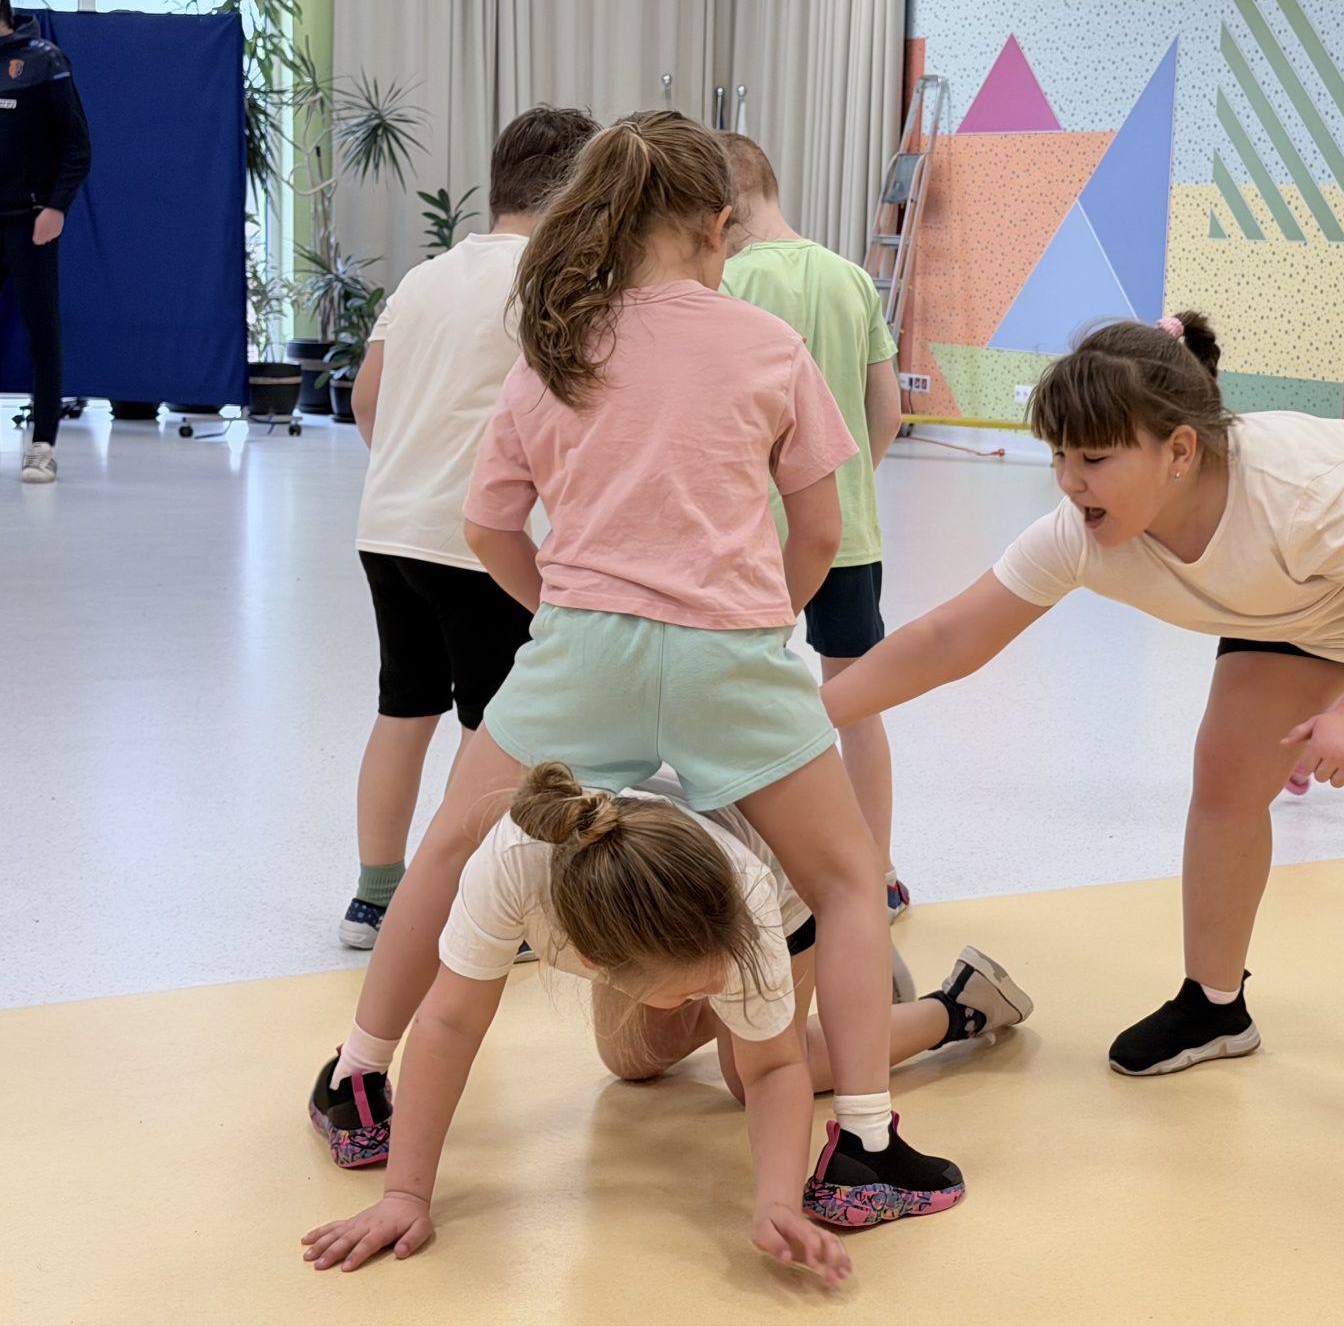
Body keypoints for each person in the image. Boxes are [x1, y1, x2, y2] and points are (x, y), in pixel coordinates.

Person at [305, 111, 963, 1222]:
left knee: (450, 849)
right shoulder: (770, 346)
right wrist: (757, 619)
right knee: (851, 883)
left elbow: (489, 526)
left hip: (582, 656)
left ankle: (359, 1073)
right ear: (717, 228)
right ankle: (863, 1146)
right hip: (732, 658)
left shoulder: (558, 345)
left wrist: (564, 609)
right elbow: (819, 530)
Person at [821, 312, 1344, 1153]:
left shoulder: (1293, 493)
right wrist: (810, 717)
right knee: (1226, 780)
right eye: (1061, 457)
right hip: (1300, 597)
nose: (1071, 483)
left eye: (1095, 459)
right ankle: (1215, 1005)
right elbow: (949, 639)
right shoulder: (1083, 535)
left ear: (1180, 452)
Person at [303, 761, 1032, 1276]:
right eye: (694, 988)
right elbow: (448, 1025)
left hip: (774, 909)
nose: (707, 989)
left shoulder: (744, 898)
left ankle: (955, 1007)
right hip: (661, 924)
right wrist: (406, 1195)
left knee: (747, 1074)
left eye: (712, 982)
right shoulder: (510, 867)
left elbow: (775, 1069)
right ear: (593, 962)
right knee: (631, 1062)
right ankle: (767, 1001)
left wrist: (776, 1201)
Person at [341, 105, 598, 950]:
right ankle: (461, 906)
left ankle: (375, 898)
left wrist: (415, 475)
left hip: (389, 528)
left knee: (403, 708)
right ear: (576, 193)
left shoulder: (424, 277)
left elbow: (366, 400)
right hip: (480, 540)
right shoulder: (550, 283)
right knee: (497, 729)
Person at [716, 133, 911, 925]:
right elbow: (887, 413)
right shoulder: (852, 279)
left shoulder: (725, 281)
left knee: (735, 701)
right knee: (857, 700)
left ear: (720, 209)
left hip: (749, 536)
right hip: (847, 531)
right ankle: (878, 871)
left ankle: (747, 874)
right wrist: (848, 487)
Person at [0, 0, 91, 485]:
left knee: (42, 333)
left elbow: (77, 145)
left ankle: (42, 446)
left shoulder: (44, 61)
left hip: (30, 222)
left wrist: (56, 207)